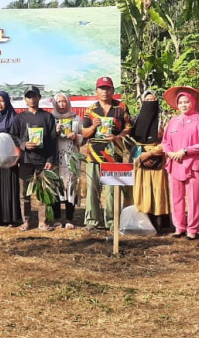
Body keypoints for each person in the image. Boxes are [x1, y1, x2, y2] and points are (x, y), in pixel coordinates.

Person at [162, 87, 199, 239]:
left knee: (194, 198)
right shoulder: (173, 122)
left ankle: (193, 228)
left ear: (193, 103)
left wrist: (185, 151)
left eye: (186, 102)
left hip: (195, 164)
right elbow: (165, 141)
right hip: (175, 163)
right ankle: (179, 226)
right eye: (181, 102)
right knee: (176, 197)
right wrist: (170, 152)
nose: (184, 105)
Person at [81, 77, 132, 230]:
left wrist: (117, 137)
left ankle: (112, 222)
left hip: (113, 155)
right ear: (96, 91)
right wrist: (93, 127)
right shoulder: (91, 110)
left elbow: (128, 127)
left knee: (111, 191)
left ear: (113, 91)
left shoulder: (121, 107)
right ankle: (92, 221)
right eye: (102, 88)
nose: (105, 91)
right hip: (94, 155)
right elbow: (84, 133)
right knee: (92, 189)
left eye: (108, 88)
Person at [15, 86, 57, 231]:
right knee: (24, 194)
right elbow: (13, 137)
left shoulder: (47, 117)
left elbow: (53, 140)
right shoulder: (19, 117)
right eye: (28, 96)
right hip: (25, 160)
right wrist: (23, 144)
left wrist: (51, 160)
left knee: (43, 192)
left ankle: (42, 222)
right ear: (25, 99)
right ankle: (26, 221)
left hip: (43, 161)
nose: (31, 99)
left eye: (34, 96)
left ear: (39, 98)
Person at [131, 90, 171, 235]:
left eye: (153, 101)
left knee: (157, 189)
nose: (150, 104)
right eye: (147, 101)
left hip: (158, 157)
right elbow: (130, 140)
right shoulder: (135, 119)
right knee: (142, 188)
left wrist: (151, 153)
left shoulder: (164, 119)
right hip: (139, 158)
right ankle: (143, 220)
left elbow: (168, 141)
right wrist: (140, 155)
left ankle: (159, 222)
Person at [0, 91, 24, 227]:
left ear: (6, 102)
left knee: (9, 185)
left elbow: (18, 136)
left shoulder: (14, 117)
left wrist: (0, 134)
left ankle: (11, 218)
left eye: (1, 101)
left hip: (9, 156)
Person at [51, 93, 82, 229]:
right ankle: (57, 217)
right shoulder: (50, 118)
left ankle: (69, 218)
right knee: (55, 186)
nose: (61, 104)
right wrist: (54, 132)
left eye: (64, 101)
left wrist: (76, 136)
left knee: (71, 186)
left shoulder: (76, 118)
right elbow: (45, 137)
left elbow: (84, 137)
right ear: (54, 104)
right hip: (56, 157)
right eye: (58, 102)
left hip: (71, 158)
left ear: (68, 103)